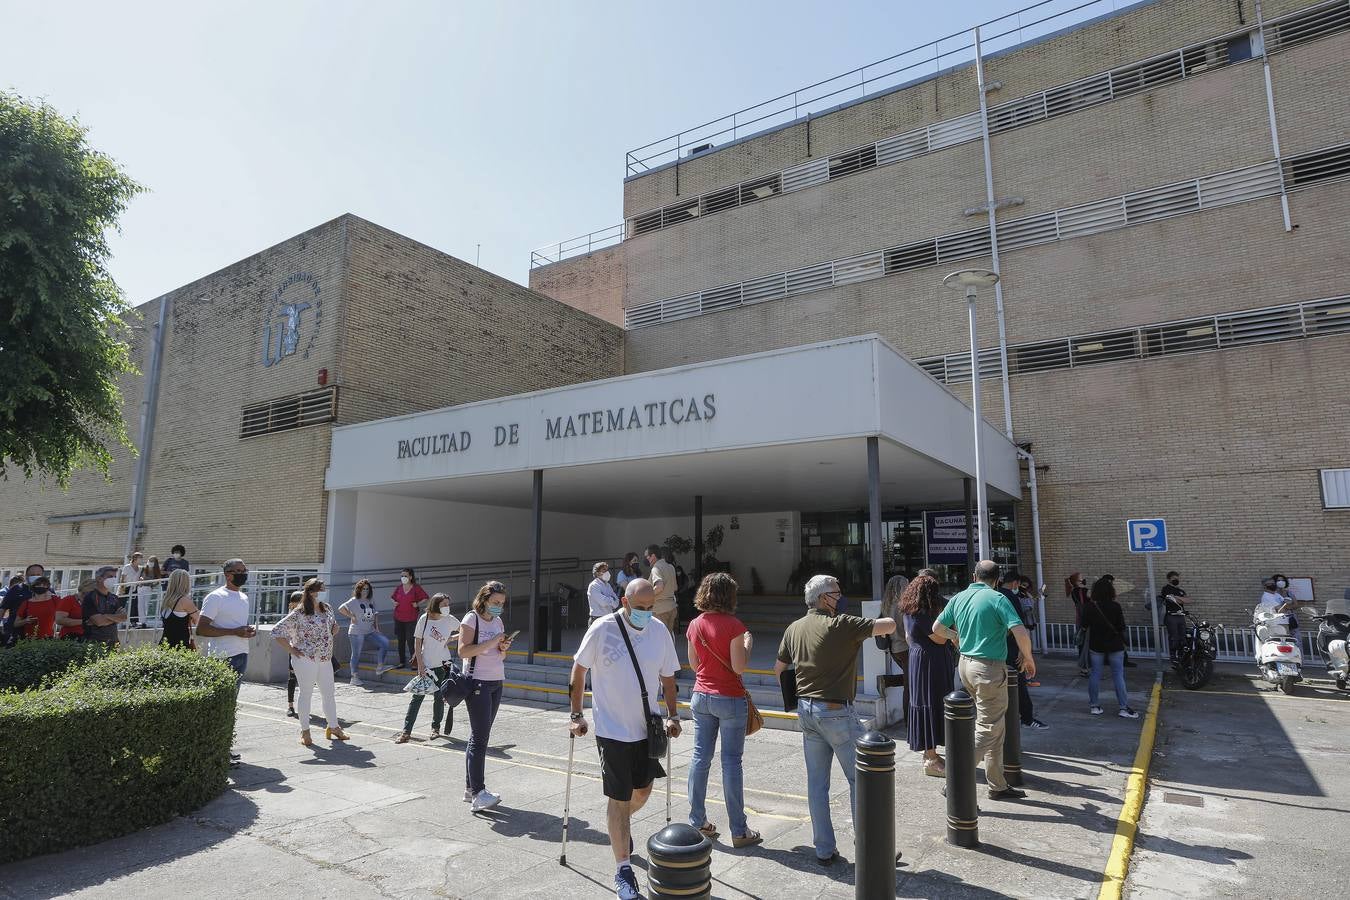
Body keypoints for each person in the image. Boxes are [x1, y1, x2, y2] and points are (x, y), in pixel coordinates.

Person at [569, 578, 681, 900]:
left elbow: (668, 679)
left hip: (646, 730)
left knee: (642, 793)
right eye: (640, 607)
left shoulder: (660, 631)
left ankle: (618, 825)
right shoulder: (603, 629)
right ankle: (622, 870)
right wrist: (577, 715)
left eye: (650, 608)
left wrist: (673, 715)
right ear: (624, 601)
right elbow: (579, 672)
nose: (646, 613)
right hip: (612, 731)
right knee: (619, 799)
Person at [774, 574, 896, 866]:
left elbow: (779, 669)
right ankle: (871, 846)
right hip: (837, 711)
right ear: (821, 598)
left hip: (806, 711)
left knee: (817, 785)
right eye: (835, 593)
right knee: (862, 779)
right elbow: (889, 626)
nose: (840, 597)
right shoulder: (842, 624)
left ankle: (824, 849)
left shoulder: (794, 628)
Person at [933, 560, 1037, 801]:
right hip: (988, 669)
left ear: (973, 576)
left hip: (965, 666)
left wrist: (956, 637)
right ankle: (956, 778)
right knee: (989, 727)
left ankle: (997, 784)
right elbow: (1020, 631)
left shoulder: (959, 598)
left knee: (994, 727)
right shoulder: (998, 598)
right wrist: (1029, 658)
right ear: (998, 579)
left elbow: (937, 627)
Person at [684, 573, 761, 849]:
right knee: (731, 762)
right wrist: (748, 643)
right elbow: (739, 667)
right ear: (730, 596)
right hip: (729, 697)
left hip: (701, 696)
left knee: (699, 757)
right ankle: (739, 830)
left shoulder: (694, 624)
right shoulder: (735, 626)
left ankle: (697, 822)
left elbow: (694, 665)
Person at [273, 578, 348, 745]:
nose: (324, 593)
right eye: (321, 589)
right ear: (312, 592)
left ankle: (334, 727)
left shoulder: (327, 608)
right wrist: (292, 650)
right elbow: (276, 631)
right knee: (306, 693)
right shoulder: (299, 612)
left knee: (328, 693)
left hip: (325, 657)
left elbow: (332, 627)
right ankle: (305, 731)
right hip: (305, 658)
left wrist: (334, 630)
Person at [459, 580, 513, 811]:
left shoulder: (498, 621)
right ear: (484, 600)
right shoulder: (472, 619)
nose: (499, 606)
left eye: (502, 603)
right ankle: (479, 792)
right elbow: (463, 650)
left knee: (479, 736)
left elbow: (497, 654)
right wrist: (492, 642)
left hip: (495, 681)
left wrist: (503, 648)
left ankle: (471, 789)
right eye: (495, 602)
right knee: (480, 739)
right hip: (477, 682)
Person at [197, 558, 257, 766]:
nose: (243, 573)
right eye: (238, 570)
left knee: (230, 705)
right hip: (223, 657)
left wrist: (246, 630)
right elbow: (202, 629)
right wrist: (234, 631)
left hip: (241, 654)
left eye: (245, 570)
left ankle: (224, 749)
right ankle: (215, 751)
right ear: (228, 574)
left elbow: (237, 625)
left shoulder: (243, 597)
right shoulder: (215, 597)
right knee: (221, 705)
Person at [901, 574, 956, 777]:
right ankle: (931, 759)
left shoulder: (908, 610)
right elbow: (940, 640)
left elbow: (908, 637)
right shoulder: (924, 612)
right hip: (932, 661)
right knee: (932, 703)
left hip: (917, 658)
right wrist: (953, 634)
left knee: (923, 703)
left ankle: (929, 754)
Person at [396, 592, 461, 743]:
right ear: (436, 604)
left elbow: (465, 631)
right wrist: (420, 665)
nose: (447, 607)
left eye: (448, 604)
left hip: (443, 665)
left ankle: (435, 728)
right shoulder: (424, 619)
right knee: (416, 698)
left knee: (439, 698)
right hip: (426, 665)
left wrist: (452, 638)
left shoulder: (450, 620)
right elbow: (417, 644)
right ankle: (406, 731)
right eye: (444, 604)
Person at [1082, 578, 1138, 718]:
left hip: (1096, 644)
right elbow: (1121, 626)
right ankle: (1123, 708)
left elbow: (1083, 625)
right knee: (1118, 675)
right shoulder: (1115, 606)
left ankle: (1094, 706)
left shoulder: (1089, 606)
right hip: (1115, 644)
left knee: (1095, 674)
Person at [999, 570, 1048, 730]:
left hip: (998, 649)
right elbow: (1019, 627)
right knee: (1019, 683)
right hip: (1013, 648)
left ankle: (1010, 717)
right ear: (1015, 583)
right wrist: (1025, 653)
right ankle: (1027, 717)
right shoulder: (1012, 598)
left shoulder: (995, 595)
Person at [339, 579, 394, 685]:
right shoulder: (354, 600)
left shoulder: (370, 600)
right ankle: (354, 677)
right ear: (358, 589)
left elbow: (375, 614)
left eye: (367, 589)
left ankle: (380, 667)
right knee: (356, 654)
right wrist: (351, 616)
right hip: (356, 632)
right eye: (363, 589)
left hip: (370, 631)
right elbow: (341, 608)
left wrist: (377, 628)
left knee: (384, 643)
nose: (365, 591)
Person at [391, 568, 430, 668]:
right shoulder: (399, 588)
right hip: (398, 617)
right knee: (401, 640)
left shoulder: (416, 588)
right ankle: (402, 662)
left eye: (405, 576)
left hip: (411, 618)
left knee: (411, 640)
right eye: (402, 576)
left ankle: (414, 663)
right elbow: (393, 598)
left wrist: (417, 604)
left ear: (411, 577)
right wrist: (394, 602)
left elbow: (426, 597)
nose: (403, 578)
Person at [81, 566, 128, 648]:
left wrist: (105, 616)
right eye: (110, 576)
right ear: (99, 579)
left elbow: (124, 617)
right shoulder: (90, 597)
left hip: (114, 642)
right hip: (95, 643)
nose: (113, 579)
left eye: (115, 577)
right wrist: (115, 619)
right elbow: (98, 621)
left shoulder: (114, 598)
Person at [159, 569, 198, 649]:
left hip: (164, 644)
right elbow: (199, 620)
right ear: (186, 583)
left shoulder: (166, 599)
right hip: (179, 646)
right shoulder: (184, 601)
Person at [877, 574, 910, 669]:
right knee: (911, 680)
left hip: (894, 649)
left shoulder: (885, 606)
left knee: (908, 677)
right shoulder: (903, 606)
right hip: (906, 647)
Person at [646, 544, 679, 635]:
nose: (647, 559)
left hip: (659, 610)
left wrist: (646, 595)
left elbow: (659, 587)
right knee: (668, 640)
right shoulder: (671, 567)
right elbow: (675, 587)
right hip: (672, 608)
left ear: (653, 556)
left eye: (647, 557)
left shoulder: (656, 568)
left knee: (659, 640)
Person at [15, 574, 59, 639]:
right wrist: (25, 620)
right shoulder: (26, 603)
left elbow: (65, 613)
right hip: (30, 639)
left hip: (49, 639)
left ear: (47, 587)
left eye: (44, 585)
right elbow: (16, 623)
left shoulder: (54, 600)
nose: (41, 587)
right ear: (33, 587)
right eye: (38, 585)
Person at [1066, 572, 1091, 676]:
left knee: (1082, 644)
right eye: (1081, 578)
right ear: (1077, 581)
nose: (1083, 579)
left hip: (1080, 620)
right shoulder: (1082, 591)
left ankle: (1084, 667)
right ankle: (1085, 667)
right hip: (1086, 620)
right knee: (1086, 645)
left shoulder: (1074, 591)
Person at [1160, 570, 1189, 659]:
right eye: (1174, 578)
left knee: (1183, 636)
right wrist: (1180, 599)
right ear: (1169, 579)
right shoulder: (1166, 589)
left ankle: (1181, 655)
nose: (1176, 580)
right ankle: (1173, 656)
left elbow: (1188, 600)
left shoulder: (1180, 590)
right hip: (1171, 616)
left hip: (1181, 616)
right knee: (1174, 637)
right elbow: (1170, 599)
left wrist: (1176, 597)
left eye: (1177, 578)